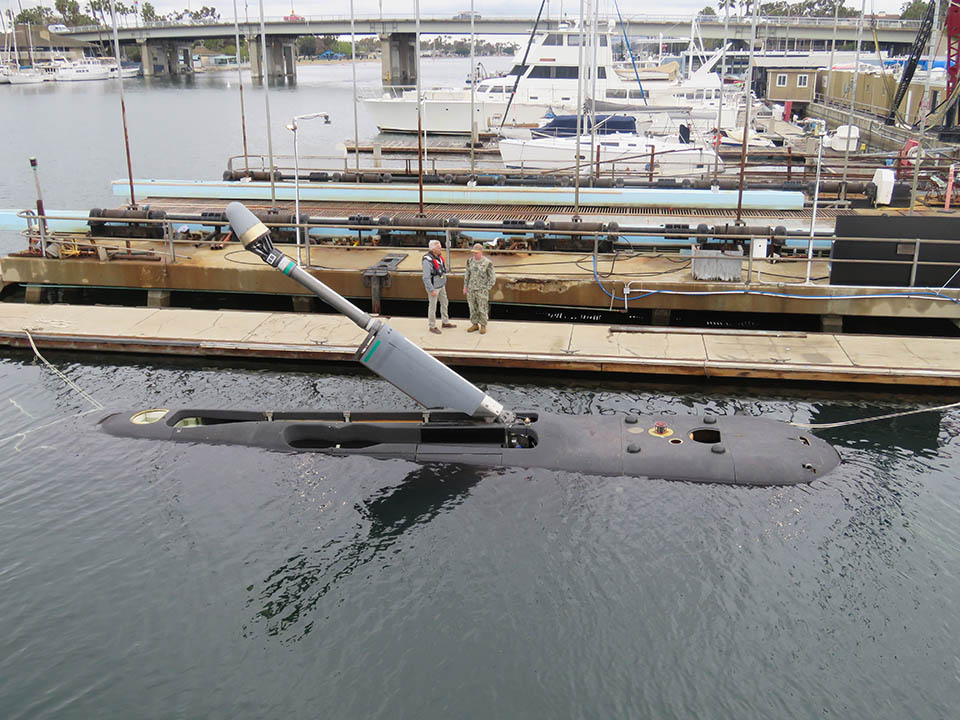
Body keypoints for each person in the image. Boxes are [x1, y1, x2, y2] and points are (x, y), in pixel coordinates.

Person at [422, 239, 456, 334]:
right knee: (432, 307)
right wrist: (431, 289)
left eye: (440, 246)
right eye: (438, 247)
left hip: (441, 285)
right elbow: (426, 277)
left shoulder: (439, 257)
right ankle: (432, 326)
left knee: (445, 302)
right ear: (433, 249)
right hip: (434, 287)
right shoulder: (427, 261)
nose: (441, 248)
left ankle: (445, 322)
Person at [463, 243, 496, 334]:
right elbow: (467, 275)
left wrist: (487, 287)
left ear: (481, 252)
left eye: (476, 253)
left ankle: (483, 325)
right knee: (472, 308)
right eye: (473, 252)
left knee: (482, 308)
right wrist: (465, 287)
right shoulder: (470, 261)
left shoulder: (487, 263)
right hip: (471, 289)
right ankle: (475, 324)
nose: (474, 254)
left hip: (482, 290)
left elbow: (492, 277)